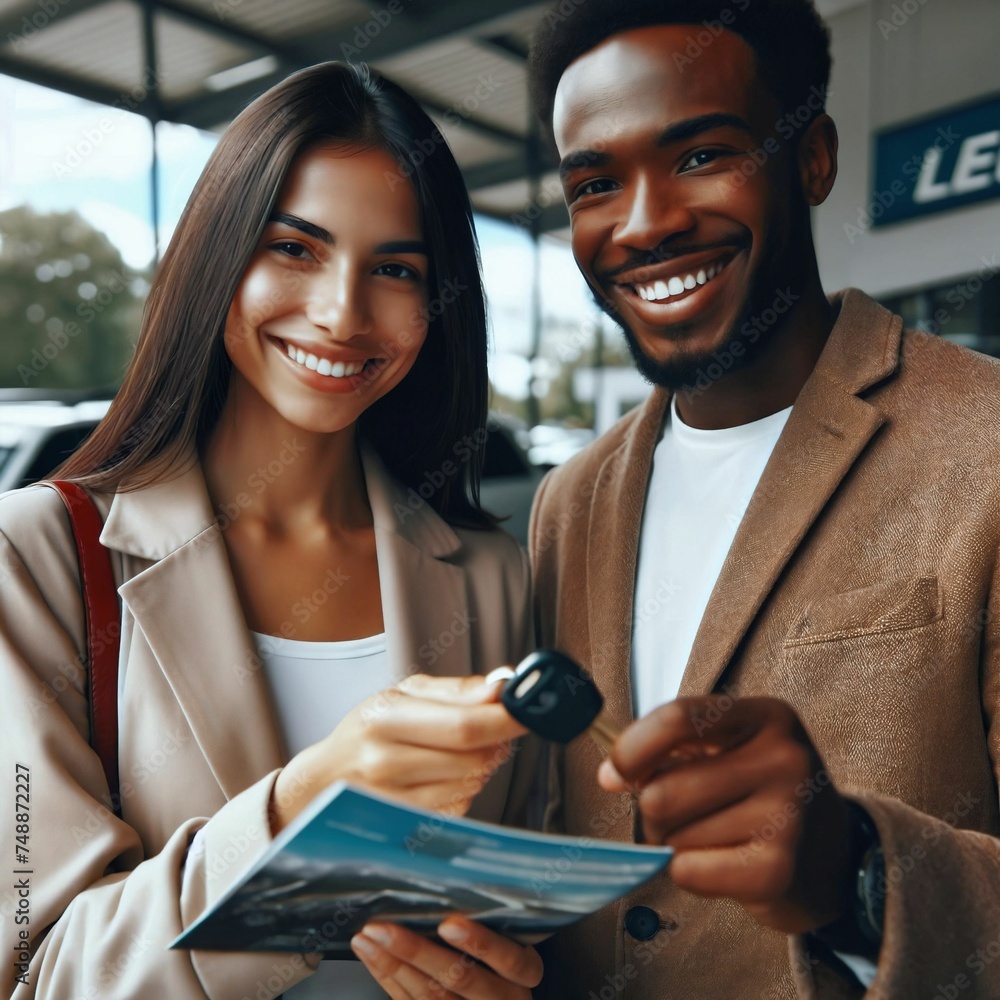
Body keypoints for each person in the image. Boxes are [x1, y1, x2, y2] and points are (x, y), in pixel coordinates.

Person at [0, 62, 545, 1000]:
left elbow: (523, 909)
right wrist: (300, 817)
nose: (342, 312)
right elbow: (40, 971)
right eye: (295, 248)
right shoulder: (36, 557)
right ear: (220, 256)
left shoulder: (493, 577)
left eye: (397, 269)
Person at [523, 0, 1000, 996]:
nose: (645, 221)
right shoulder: (567, 504)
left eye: (699, 156)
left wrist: (859, 877)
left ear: (812, 159)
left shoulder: (984, 442)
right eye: (596, 183)